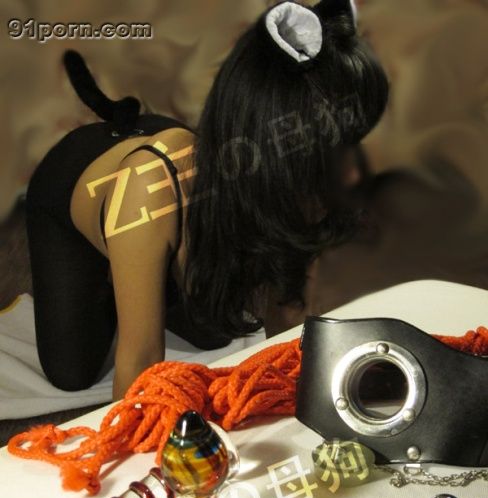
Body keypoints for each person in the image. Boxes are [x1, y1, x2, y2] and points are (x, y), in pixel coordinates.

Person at [25, 0, 389, 400]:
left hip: (184, 187)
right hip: (77, 185)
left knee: (216, 327)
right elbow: (139, 368)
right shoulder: (150, 191)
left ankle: (150, 269)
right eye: (334, 151)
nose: (354, 174)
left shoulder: (297, 183)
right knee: (72, 374)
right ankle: (128, 273)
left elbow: (288, 327)